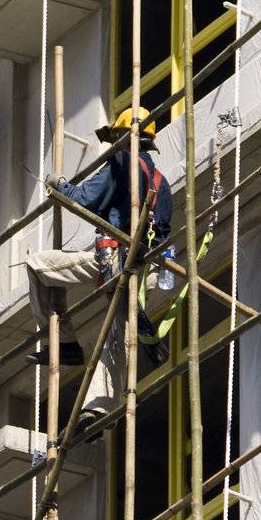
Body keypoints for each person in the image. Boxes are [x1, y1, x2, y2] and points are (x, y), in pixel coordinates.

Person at [29, 106, 175, 429]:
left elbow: (84, 200)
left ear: (123, 137)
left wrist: (59, 185)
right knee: (118, 325)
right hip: (143, 267)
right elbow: (163, 234)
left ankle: (63, 344)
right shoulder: (162, 184)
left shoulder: (121, 162)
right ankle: (98, 408)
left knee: (38, 264)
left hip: (112, 258)